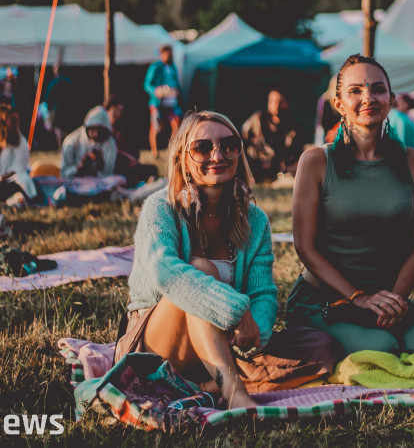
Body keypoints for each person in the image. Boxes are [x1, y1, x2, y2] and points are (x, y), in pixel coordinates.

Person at [118, 111, 338, 408]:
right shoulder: (161, 207)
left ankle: (204, 385)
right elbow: (166, 273)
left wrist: (255, 335)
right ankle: (235, 393)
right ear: (183, 157)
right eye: (202, 148)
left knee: (321, 347)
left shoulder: (255, 220)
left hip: (224, 343)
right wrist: (236, 312)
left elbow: (263, 293)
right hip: (156, 344)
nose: (217, 155)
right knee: (202, 269)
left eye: (228, 144)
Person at [287, 54, 414, 355]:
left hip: (388, 297)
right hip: (327, 300)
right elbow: (305, 247)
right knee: (381, 349)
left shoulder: (413, 161)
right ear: (338, 104)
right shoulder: (316, 161)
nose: (368, 97)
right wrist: (357, 297)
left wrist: (394, 301)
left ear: (391, 99)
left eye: (377, 89)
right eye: (355, 90)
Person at [241, 90, 302, 182]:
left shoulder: (293, 126)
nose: (276, 105)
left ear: (287, 104)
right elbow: (243, 142)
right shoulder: (257, 121)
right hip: (258, 165)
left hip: (282, 169)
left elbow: (297, 152)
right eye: (273, 101)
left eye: (280, 102)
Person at [106, 95, 159, 187]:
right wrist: (131, 158)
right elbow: (112, 149)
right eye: (116, 110)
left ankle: (144, 183)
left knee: (152, 169)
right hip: (113, 165)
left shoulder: (119, 128)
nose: (118, 114)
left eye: (120, 111)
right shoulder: (102, 128)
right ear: (108, 110)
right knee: (128, 172)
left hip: (127, 163)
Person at [145, 45, 183, 159]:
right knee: (156, 126)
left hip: (171, 101)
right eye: (166, 53)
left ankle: (173, 149)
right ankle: (154, 151)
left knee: (176, 123)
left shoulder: (173, 67)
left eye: (170, 53)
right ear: (161, 54)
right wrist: (156, 91)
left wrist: (177, 90)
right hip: (158, 102)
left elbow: (176, 83)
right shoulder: (156, 67)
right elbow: (147, 84)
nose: (168, 55)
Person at [61, 106, 118, 179]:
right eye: (93, 129)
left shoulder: (110, 144)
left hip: (99, 184)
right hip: (75, 183)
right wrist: (78, 167)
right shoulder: (71, 142)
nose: (96, 134)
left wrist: (100, 166)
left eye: (100, 130)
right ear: (87, 128)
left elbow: (109, 174)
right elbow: (64, 174)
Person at [43, 65, 73, 147]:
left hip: (56, 109)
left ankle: (61, 146)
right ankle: (66, 146)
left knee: (58, 129)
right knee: (65, 128)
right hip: (67, 108)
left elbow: (48, 98)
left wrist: (49, 109)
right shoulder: (68, 81)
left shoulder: (53, 83)